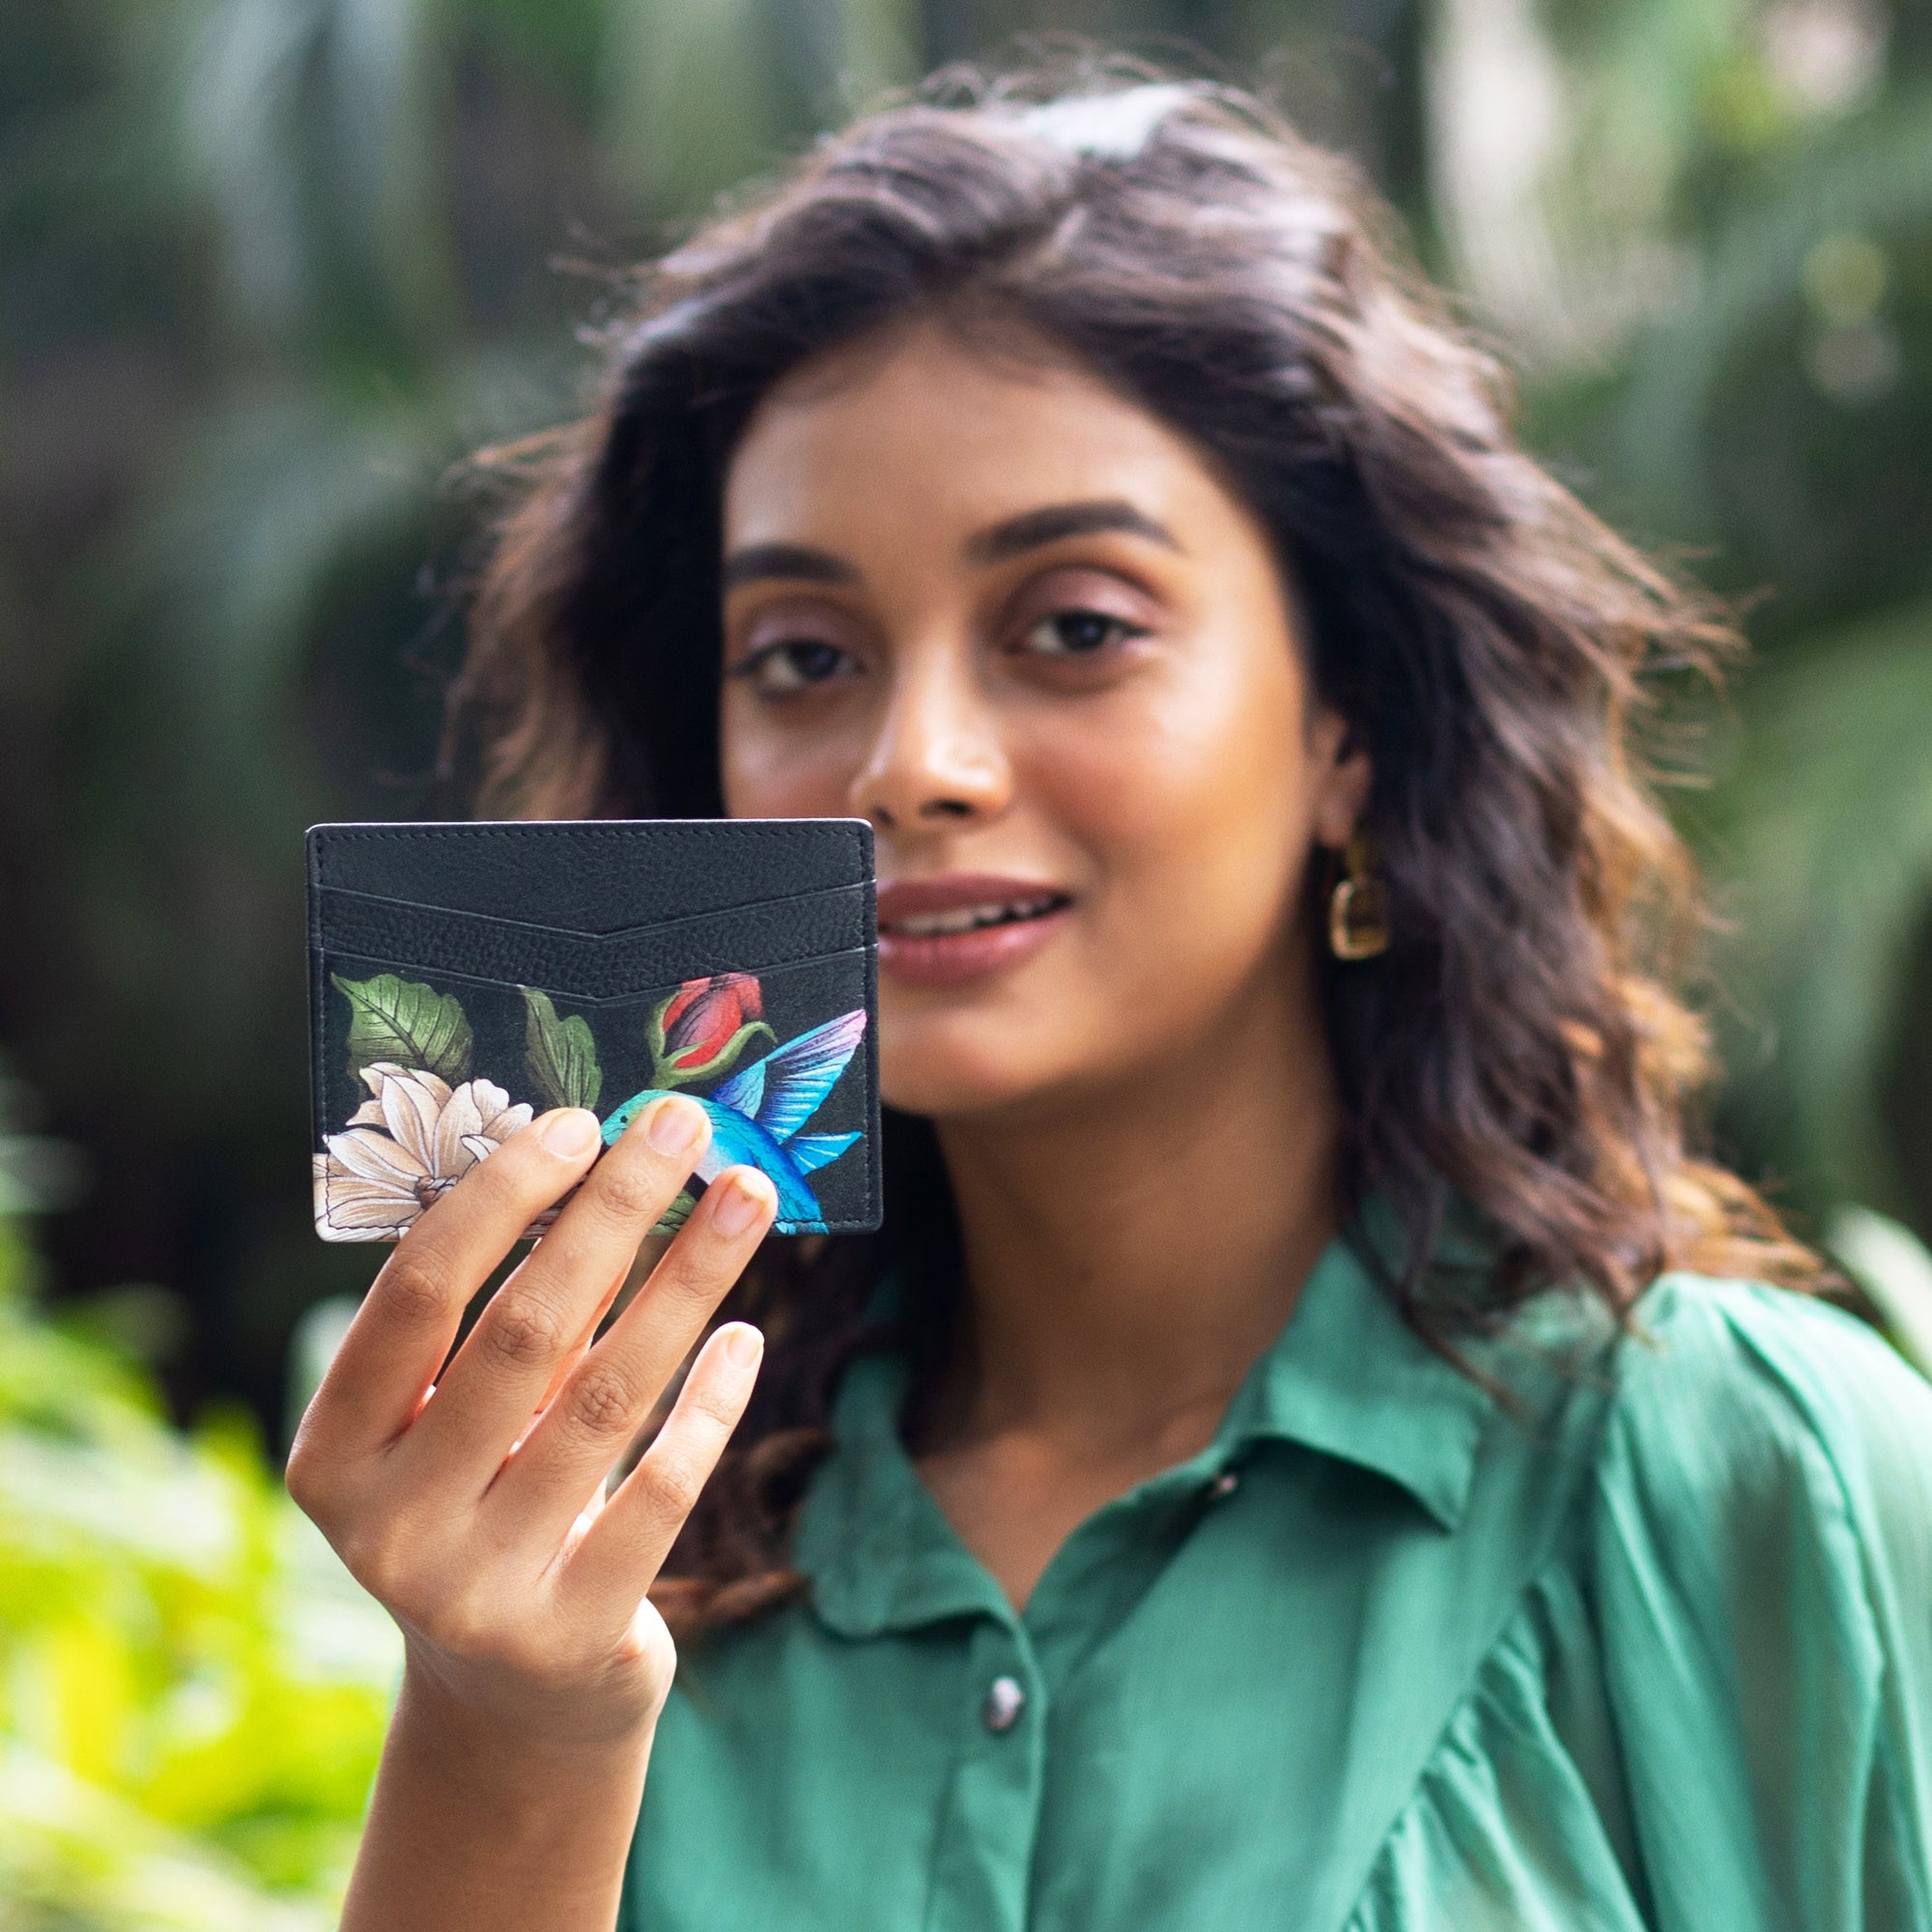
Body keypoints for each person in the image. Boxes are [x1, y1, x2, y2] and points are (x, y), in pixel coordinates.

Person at [286, 68, 1932, 1932]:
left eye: (1077, 624)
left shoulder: (1747, 1479)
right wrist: (509, 1732)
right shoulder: (616, 1547)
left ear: (1350, 724)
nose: (913, 762)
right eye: (804, 654)